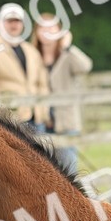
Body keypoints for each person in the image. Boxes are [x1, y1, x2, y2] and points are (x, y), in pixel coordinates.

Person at [31, 14, 92, 174]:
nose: (47, 31)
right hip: (41, 122)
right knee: (45, 172)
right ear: (36, 31)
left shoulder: (66, 55)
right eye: (43, 27)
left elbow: (85, 66)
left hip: (66, 121)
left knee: (69, 171)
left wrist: (67, 47)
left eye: (51, 27)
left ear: (59, 30)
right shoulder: (32, 56)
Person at [0, 3, 49, 128]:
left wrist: (43, 110)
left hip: (37, 118)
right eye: (9, 21)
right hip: (11, 122)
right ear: (0, 23)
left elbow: (42, 84)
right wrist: (2, 115)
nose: (14, 24)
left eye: (17, 21)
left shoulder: (31, 51)